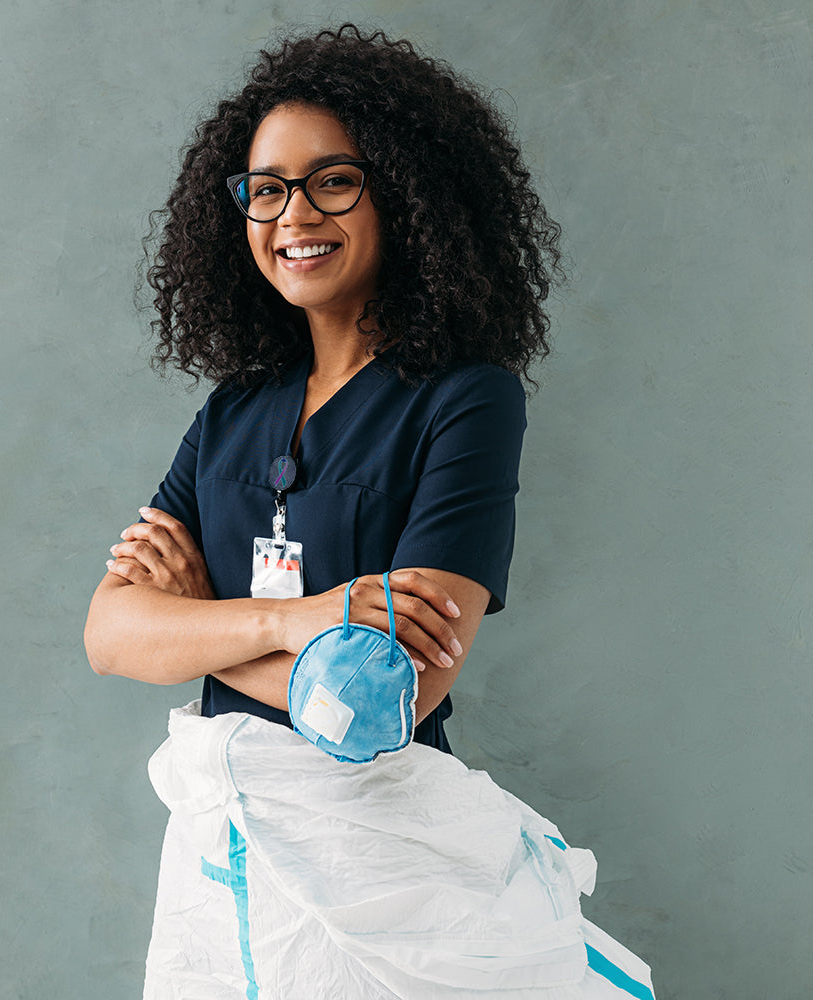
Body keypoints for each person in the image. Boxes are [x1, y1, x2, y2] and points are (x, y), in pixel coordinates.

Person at [84, 24, 655, 1000]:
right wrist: (297, 620)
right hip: (222, 857)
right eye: (265, 188)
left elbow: (386, 704)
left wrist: (192, 627)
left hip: (387, 871)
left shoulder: (466, 399)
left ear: (403, 190)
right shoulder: (233, 407)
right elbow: (107, 632)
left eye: (331, 180)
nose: (291, 213)